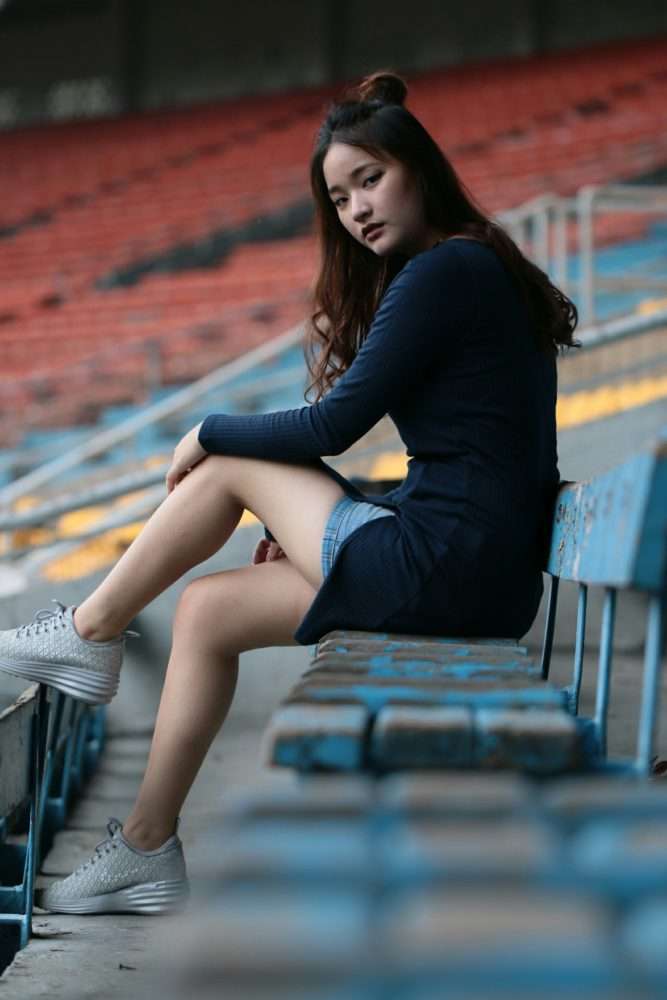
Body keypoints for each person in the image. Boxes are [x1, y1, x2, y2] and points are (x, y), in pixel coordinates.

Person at [0, 70, 578, 914]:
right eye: (339, 199)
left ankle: (89, 631)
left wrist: (207, 430)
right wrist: (325, 514)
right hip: (470, 571)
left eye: (369, 180)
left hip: (447, 567)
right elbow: (469, 464)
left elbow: (330, 426)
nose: (356, 210)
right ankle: (147, 847)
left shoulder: (446, 271)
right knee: (207, 611)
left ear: (419, 169)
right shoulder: (467, 264)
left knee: (225, 466)